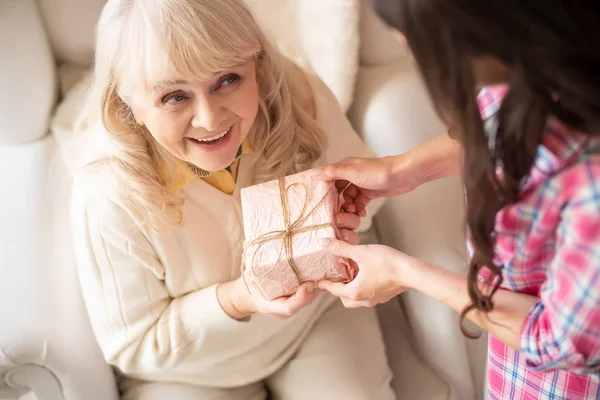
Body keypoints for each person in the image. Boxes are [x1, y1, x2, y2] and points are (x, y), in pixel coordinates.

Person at [69, 0, 395, 398]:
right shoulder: (106, 191)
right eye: (174, 97)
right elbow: (133, 344)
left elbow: (368, 195)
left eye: (228, 80)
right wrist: (240, 298)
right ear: (128, 104)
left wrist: (336, 217)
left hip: (313, 317)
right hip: (191, 371)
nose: (210, 119)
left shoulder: (294, 94)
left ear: (256, 64)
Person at [315, 1, 600, 399]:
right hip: (514, 368)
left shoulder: (591, 187)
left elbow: (554, 340)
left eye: (417, 45)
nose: (417, 60)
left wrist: (402, 272)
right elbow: (501, 128)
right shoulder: (539, 57)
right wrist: (403, 169)